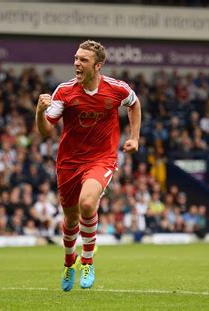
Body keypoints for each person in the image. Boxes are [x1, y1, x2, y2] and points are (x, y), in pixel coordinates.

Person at [35, 40, 141, 292]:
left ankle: (88, 261)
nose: (76, 64)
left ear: (98, 65)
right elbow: (45, 130)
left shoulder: (116, 89)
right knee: (70, 218)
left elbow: (134, 104)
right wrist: (39, 112)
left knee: (87, 203)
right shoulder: (64, 92)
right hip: (68, 163)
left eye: (83, 60)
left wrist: (134, 137)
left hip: (101, 159)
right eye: (75, 58)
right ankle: (68, 263)